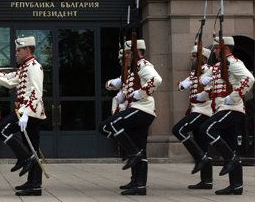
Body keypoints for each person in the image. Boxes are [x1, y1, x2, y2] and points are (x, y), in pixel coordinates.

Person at [0, 36, 46, 196]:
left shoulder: (33, 66)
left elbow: (36, 92)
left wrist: (26, 113)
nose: (16, 53)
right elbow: (9, 80)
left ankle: (24, 158)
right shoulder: (24, 67)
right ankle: (34, 185)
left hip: (29, 112)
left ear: (27, 50)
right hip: (28, 112)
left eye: (19, 50)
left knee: (1, 130)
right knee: (32, 146)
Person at [99, 39, 162, 196]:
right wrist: (119, 89)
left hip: (142, 109)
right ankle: (138, 184)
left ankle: (133, 154)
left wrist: (140, 93)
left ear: (136, 52)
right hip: (139, 110)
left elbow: (157, 80)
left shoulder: (142, 65)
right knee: (140, 147)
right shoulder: (132, 69)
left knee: (110, 125)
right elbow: (123, 87)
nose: (125, 56)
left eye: (128, 53)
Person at [195, 36, 254, 195]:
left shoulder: (234, 63)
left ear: (224, 48)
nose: (214, 50)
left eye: (216, 48)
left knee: (206, 129)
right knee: (232, 145)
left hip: (232, 107)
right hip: (221, 108)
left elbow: (249, 79)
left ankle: (231, 159)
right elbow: (206, 80)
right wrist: (204, 77)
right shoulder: (219, 65)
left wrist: (234, 96)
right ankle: (236, 186)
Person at [172, 45, 213, 189]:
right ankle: (207, 181)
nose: (191, 58)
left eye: (194, 56)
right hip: (195, 110)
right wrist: (183, 84)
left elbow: (209, 91)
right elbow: (181, 86)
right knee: (202, 144)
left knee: (178, 130)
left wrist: (198, 94)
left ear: (203, 58)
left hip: (204, 111)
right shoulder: (194, 73)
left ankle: (199, 158)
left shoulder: (209, 71)